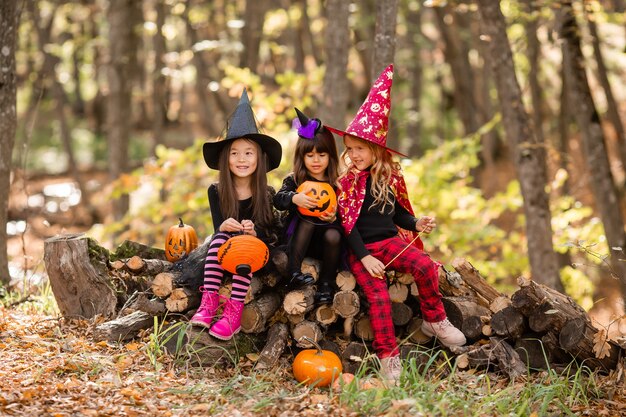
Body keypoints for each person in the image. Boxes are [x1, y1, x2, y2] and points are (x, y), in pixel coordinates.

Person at [327, 64, 466, 381]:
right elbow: (347, 226)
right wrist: (364, 256)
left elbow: (398, 214)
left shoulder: (390, 176)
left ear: (376, 148)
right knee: (378, 298)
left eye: (359, 148)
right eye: (349, 149)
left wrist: (417, 223)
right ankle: (388, 357)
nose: (353, 155)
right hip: (361, 248)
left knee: (426, 266)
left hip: (391, 242)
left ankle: (435, 319)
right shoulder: (346, 182)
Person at [190, 88, 282, 340]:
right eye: (234, 153)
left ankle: (234, 311)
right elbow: (219, 228)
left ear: (259, 159)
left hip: (256, 254)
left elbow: (269, 231)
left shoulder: (267, 192)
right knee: (219, 238)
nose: (241, 159)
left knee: (246, 245)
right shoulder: (216, 191)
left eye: (248, 153)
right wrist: (225, 227)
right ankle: (209, 302)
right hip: (225, 251)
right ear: (225, 159)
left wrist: (255, 232)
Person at [274, 108, 342, 304]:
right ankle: (294, 272)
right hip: (299, 242)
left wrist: (334, 217)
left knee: (334, 234)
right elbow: (278, 200)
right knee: (308, 219)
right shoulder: (295, 180)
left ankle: (327, 284)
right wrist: (294, 198)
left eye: (321, 154)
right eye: (310, 155)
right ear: (302, 157)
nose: (316, 160)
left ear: (330, 156)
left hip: (328, 245)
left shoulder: (336, 183)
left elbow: (346, 213)